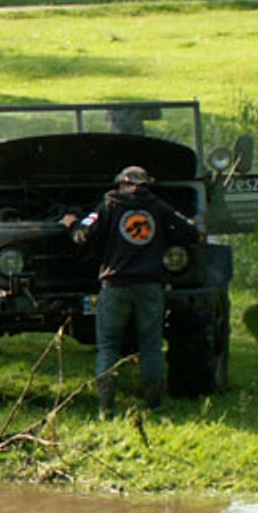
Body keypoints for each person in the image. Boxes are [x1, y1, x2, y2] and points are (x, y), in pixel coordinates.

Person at [64, 165, 199, 417]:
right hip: (150, 286)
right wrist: (163, 240)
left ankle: (106, 408)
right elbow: (190, 230)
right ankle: (155, 405)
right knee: (150, 345)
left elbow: (82, 234)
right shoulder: (158, 206)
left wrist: (71, 223)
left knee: (108, 346)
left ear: (121, 184)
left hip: (115, 286)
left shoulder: (108, 205)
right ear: (146, 185)